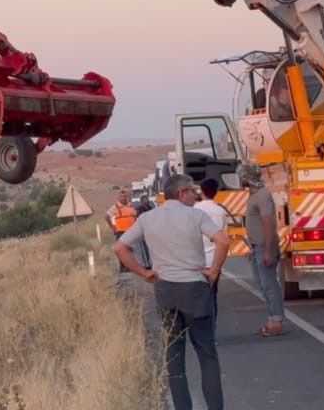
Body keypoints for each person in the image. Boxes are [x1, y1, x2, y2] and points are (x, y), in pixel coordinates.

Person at [115, 173, 229, 410]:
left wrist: (143, 273)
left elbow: (121, 247)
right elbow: (223, 241)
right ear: (181, 193)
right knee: (207, 355)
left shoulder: (147, 219)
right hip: (195, 289)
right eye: (191, 192)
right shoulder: (195, 215)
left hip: (165, 291)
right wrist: (214, 270)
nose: (194, 196)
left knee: (174, 358)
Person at [240, 164, 285, 337]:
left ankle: (276, 321)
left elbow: (268, 223)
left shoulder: (262, 195)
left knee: (270, 285)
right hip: (257, 247)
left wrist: (268, 250)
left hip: (265, 247)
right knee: (263, 286)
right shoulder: (253, 195)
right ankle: (271, 319)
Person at [195, 178, 229, 324]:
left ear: (201, 191)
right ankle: (211, 329)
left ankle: (202, 329)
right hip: (215, 259)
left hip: (198, 259)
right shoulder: (220, 211)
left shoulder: (195, 210)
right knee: (212, 297)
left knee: (199, 298)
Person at [106, 188, 140, 271]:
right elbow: (106, 216)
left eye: (124, 196)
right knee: (121, 250)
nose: (123, 198)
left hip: (131, 231)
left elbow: (135, 216)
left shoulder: (131, 206)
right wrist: (113, 227)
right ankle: (123, 267)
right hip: (120, 231)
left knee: (130, 249)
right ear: (119, 198)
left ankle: (129, 266)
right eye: (121, 196)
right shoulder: (115, 207)